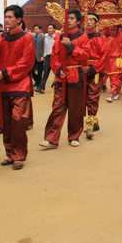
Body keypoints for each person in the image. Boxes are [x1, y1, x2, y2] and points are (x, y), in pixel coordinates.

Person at [40, 9, 89, 149]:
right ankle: (51, 138)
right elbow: (54, 56)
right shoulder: (59, 37)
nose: (69, 21)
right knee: (57, 107)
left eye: (72, 18)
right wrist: (57, 69)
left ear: (78, 21)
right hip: (62, 77)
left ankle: (74, 136)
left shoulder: (83, 37)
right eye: (68, 18)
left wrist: (71, 47)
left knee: (75, 108)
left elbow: (86, 56)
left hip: (76, 74)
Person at [0, 5, 34, 170]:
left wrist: (6, 72)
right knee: (6, 122)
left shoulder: (27, 38)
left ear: (18, 19)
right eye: (6, 17)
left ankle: (19, 155)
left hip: (20, 84)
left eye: (10, 17)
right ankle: (10, 153)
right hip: (4, 86)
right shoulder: (0, 39)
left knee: (18, 121)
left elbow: (26, 62)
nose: (7, 20)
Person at [83, 13, 106, 138]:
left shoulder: (100, 39)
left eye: (92, 20)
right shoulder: (82, 38)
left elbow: (104, 56)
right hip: (82, 70)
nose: (89, 22)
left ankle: (90, 125)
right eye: (87, 19)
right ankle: (94, 120)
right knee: (83, 97)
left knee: (92, 96)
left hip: (95, 71)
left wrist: (95, 68)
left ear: (96, 23)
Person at [104, 25, 122, 103]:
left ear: (118, 31)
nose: (112, 31)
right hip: (109, 61)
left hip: (116, 60)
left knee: (115, 78)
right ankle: (116, 93)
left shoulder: (120, 38)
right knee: (113, 78)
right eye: (111, 30)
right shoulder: (109, 39)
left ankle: (112, 94)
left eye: (114, 30)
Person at [39, 24, 56, 93]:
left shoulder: (56, 37)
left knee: (57, 73)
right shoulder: (44, 37)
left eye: (51, 28)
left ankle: (58, 86)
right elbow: (42, 47)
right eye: (48, 28)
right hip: (47, 57)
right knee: (45, 72)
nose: (49, 30)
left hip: (55, 57)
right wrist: (42, 55)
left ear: (54, 29)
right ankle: (41, 88)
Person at [32, 25, 45, 90]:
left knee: (40, 71)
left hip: (40, 56)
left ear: (40, 30)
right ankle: (37, 80)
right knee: (31, 70)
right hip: (33, 56)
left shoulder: (42, 36)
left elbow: (44, 46)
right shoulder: (33, 36)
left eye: (37, 29)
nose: (35, 30)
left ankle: (38, 84)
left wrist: (43, 55)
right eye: (34, 29)